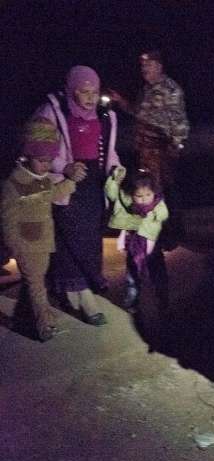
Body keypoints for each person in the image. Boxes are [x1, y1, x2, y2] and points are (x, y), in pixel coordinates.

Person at [34, 65, 123, 326]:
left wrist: (115, 168)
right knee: (73, 238)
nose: (90, 97)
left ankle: (72, 288)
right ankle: (85, 292)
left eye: (95, 92)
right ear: (72, 90)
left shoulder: (106, 116)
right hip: (66, 182)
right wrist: (65, 167)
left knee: (89, 237)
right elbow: (39, 151)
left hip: (93, 182)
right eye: (84, 92)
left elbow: (109, 151)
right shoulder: (52, 110)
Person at [1, 117, 78, 341]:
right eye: (42, 160)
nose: (46, 165)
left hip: (44, 240)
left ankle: (31, 315)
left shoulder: (42, 178)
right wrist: (15, 245)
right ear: (27, 156)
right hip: (27, 244)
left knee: (36, 282)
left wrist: (70, 183)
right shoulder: (14, 182)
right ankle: (44, 326)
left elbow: (50, 196)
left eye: (49, 160)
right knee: (36, 285)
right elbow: (7, 218)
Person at [109, 50, 189, 196]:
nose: (144, 68)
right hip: (145, 149)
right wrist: (120, 100)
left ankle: (171, 217)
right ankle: (151, 214)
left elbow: (179, 120)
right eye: (143, 65)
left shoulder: (170, 88)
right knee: (148, 186)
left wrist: (176, 145)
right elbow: (137, 112)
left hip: (162, 149)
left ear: (159, 67)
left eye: (149, 65)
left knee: (165, 188)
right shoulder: (146, 89)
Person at [105, 169, 169, 311]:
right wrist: (115, 178)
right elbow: (112, 193)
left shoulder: (157, 203)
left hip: (153, 244)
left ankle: (163, 297)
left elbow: (164, 214)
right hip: (134, 244)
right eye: (139, 196)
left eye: (148, 194)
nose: (144, 199)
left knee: (158, 273)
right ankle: (131, 301)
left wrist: (157, 216)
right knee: (132, 276)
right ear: (131, 195)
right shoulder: (127, 205)